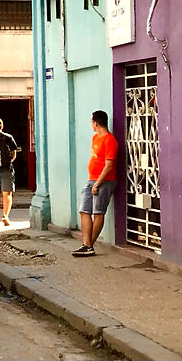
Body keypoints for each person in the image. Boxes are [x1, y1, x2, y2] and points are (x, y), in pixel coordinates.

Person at [73, 110, 119, 258]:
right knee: (84, 210)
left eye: (92, 122)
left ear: (96, 123)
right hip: (91, 179)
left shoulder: (109, 140)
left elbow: (109, 165)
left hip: (104, 181)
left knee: (98, 212)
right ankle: (87, 244)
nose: (91, 125)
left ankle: (88, 246)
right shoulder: (95, 138)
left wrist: (97, 184)